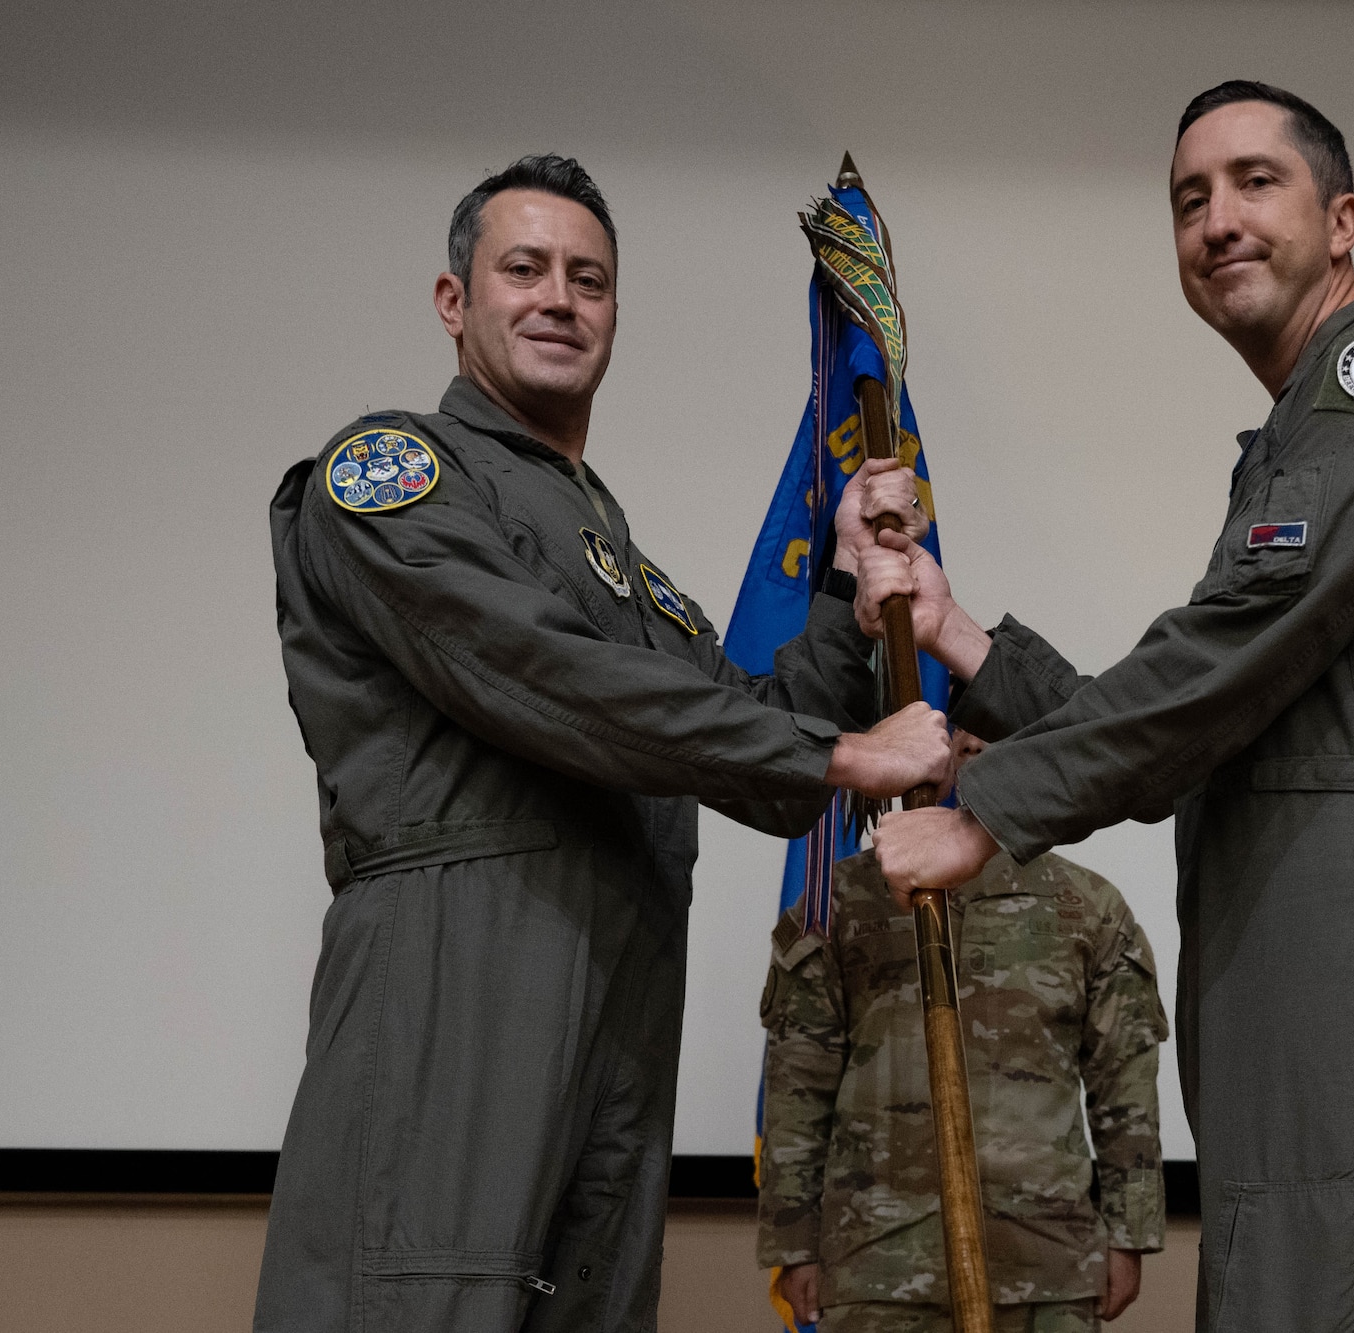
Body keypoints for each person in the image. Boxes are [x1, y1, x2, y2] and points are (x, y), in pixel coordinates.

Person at [858, 82, 1354, 1331]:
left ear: (1343, 220)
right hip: (1293, 910)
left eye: (1253, 182)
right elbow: (1202, 728)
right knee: (1290, 1288)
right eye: (1187, 199)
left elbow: (1228, 649)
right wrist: (961, 636)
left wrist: (987, 809)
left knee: (1334, 1291)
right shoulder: (1292, 434)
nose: (1215, 219)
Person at [258, 154, 949, 1333]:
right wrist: (843, 758)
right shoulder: (393, 474)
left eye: (589, 279)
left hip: (619, 977)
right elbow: (546, 675)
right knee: (423, 1300)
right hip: (461, 960)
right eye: (522, 269)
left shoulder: (622, 564)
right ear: (452, 301)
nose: (558, 298)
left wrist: (841, 578)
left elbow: (750, 737)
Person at [758, 732, 1167, 1333]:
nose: (972, 749)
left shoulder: (1089, 907)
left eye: (990, 735)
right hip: (880, 1263)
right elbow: (800, 1082)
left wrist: (1129, 1237)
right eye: (955, 734)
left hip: (1044, 1261)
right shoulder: (845, 901)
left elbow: (1124, 1086)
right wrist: (795, 1243)